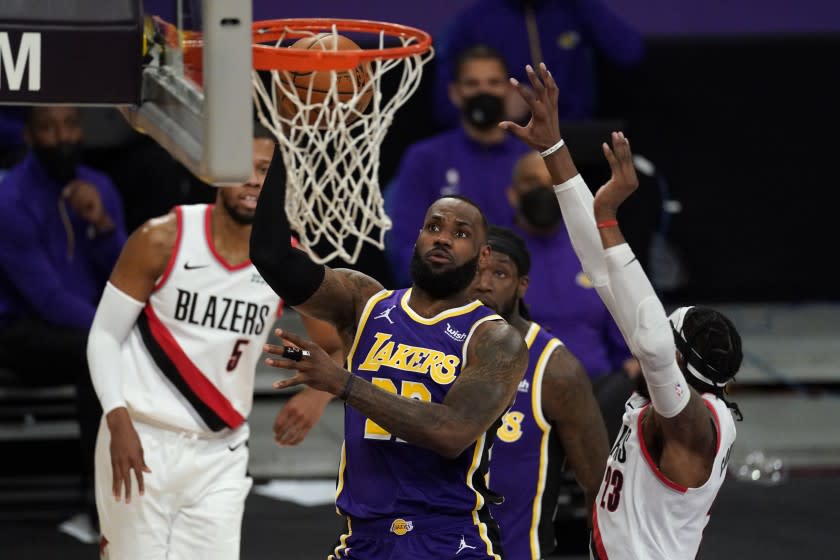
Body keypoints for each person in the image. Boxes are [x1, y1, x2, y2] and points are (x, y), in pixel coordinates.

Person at [502, 63, 744, 559]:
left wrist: (611, 216)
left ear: (678, 362)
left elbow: (652, 340)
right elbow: (604, 271)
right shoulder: (684, 396)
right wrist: (555, 151)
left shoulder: (693, 426)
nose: (648, 327)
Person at [251, 144, 529, 558]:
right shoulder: (364, 302)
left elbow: (450, 433)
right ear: (417, 234)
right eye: (434, 226)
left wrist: (343, 383)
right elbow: (272, 257)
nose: (444, 238)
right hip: (365, 537)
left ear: (483, 255)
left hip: (448, 539)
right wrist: (281, 147)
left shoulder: (495, 338)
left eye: (461, 233)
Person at [86, 124, 339, 560]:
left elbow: (340, 343)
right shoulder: (162, 237)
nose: (256, 180)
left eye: (267, 170)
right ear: (217, 171)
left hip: (220, 451)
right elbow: (105, 335)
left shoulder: (286, 261)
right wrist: (116, 417)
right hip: (142, 434)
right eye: (245, 168)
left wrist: (316, 396)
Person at [0, 105, 127, 541]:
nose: (63, 136)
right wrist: (110, 335)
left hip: (82, 326)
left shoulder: (101, 187)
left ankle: (126, 493)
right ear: (30, 138)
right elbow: (47, 298)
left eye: (70, 125)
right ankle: (99, 502)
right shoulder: (10, 200)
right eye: (49, 129)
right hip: (20, 332)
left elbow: (126, 277)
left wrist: (104, 226)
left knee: (102, 353)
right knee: (97, 354)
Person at [470, 225, 609, 559]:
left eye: (499, 273)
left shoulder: (555, 369)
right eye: (475, 271)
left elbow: (598, 485)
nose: (483, 283)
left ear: (522, 286)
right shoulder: (436, 347)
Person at [505, 150, 639, 442]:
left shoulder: (595, 249)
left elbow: (627, 342)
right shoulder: (496, 258)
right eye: (531, 182)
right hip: (520, 394)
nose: (542, 190)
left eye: (550, 181)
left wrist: (637, 363)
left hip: (598, 396)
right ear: (513, 194)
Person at [385, 44, 530, 285]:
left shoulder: (529, 160)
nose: (483, 91)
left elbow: (542, 240)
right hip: (445, 291)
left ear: (507, 90)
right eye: (472, 84)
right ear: (455, 92)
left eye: (493, 83)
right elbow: (406, 242)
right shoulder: (425, 157)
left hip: (512, 294)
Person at [432, 0, 643, 128]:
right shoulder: (472, 22)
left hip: (573, 138)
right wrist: (497, 106)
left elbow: (630, 53)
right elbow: (443, 106)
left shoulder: (573, 10)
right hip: (506, 139)